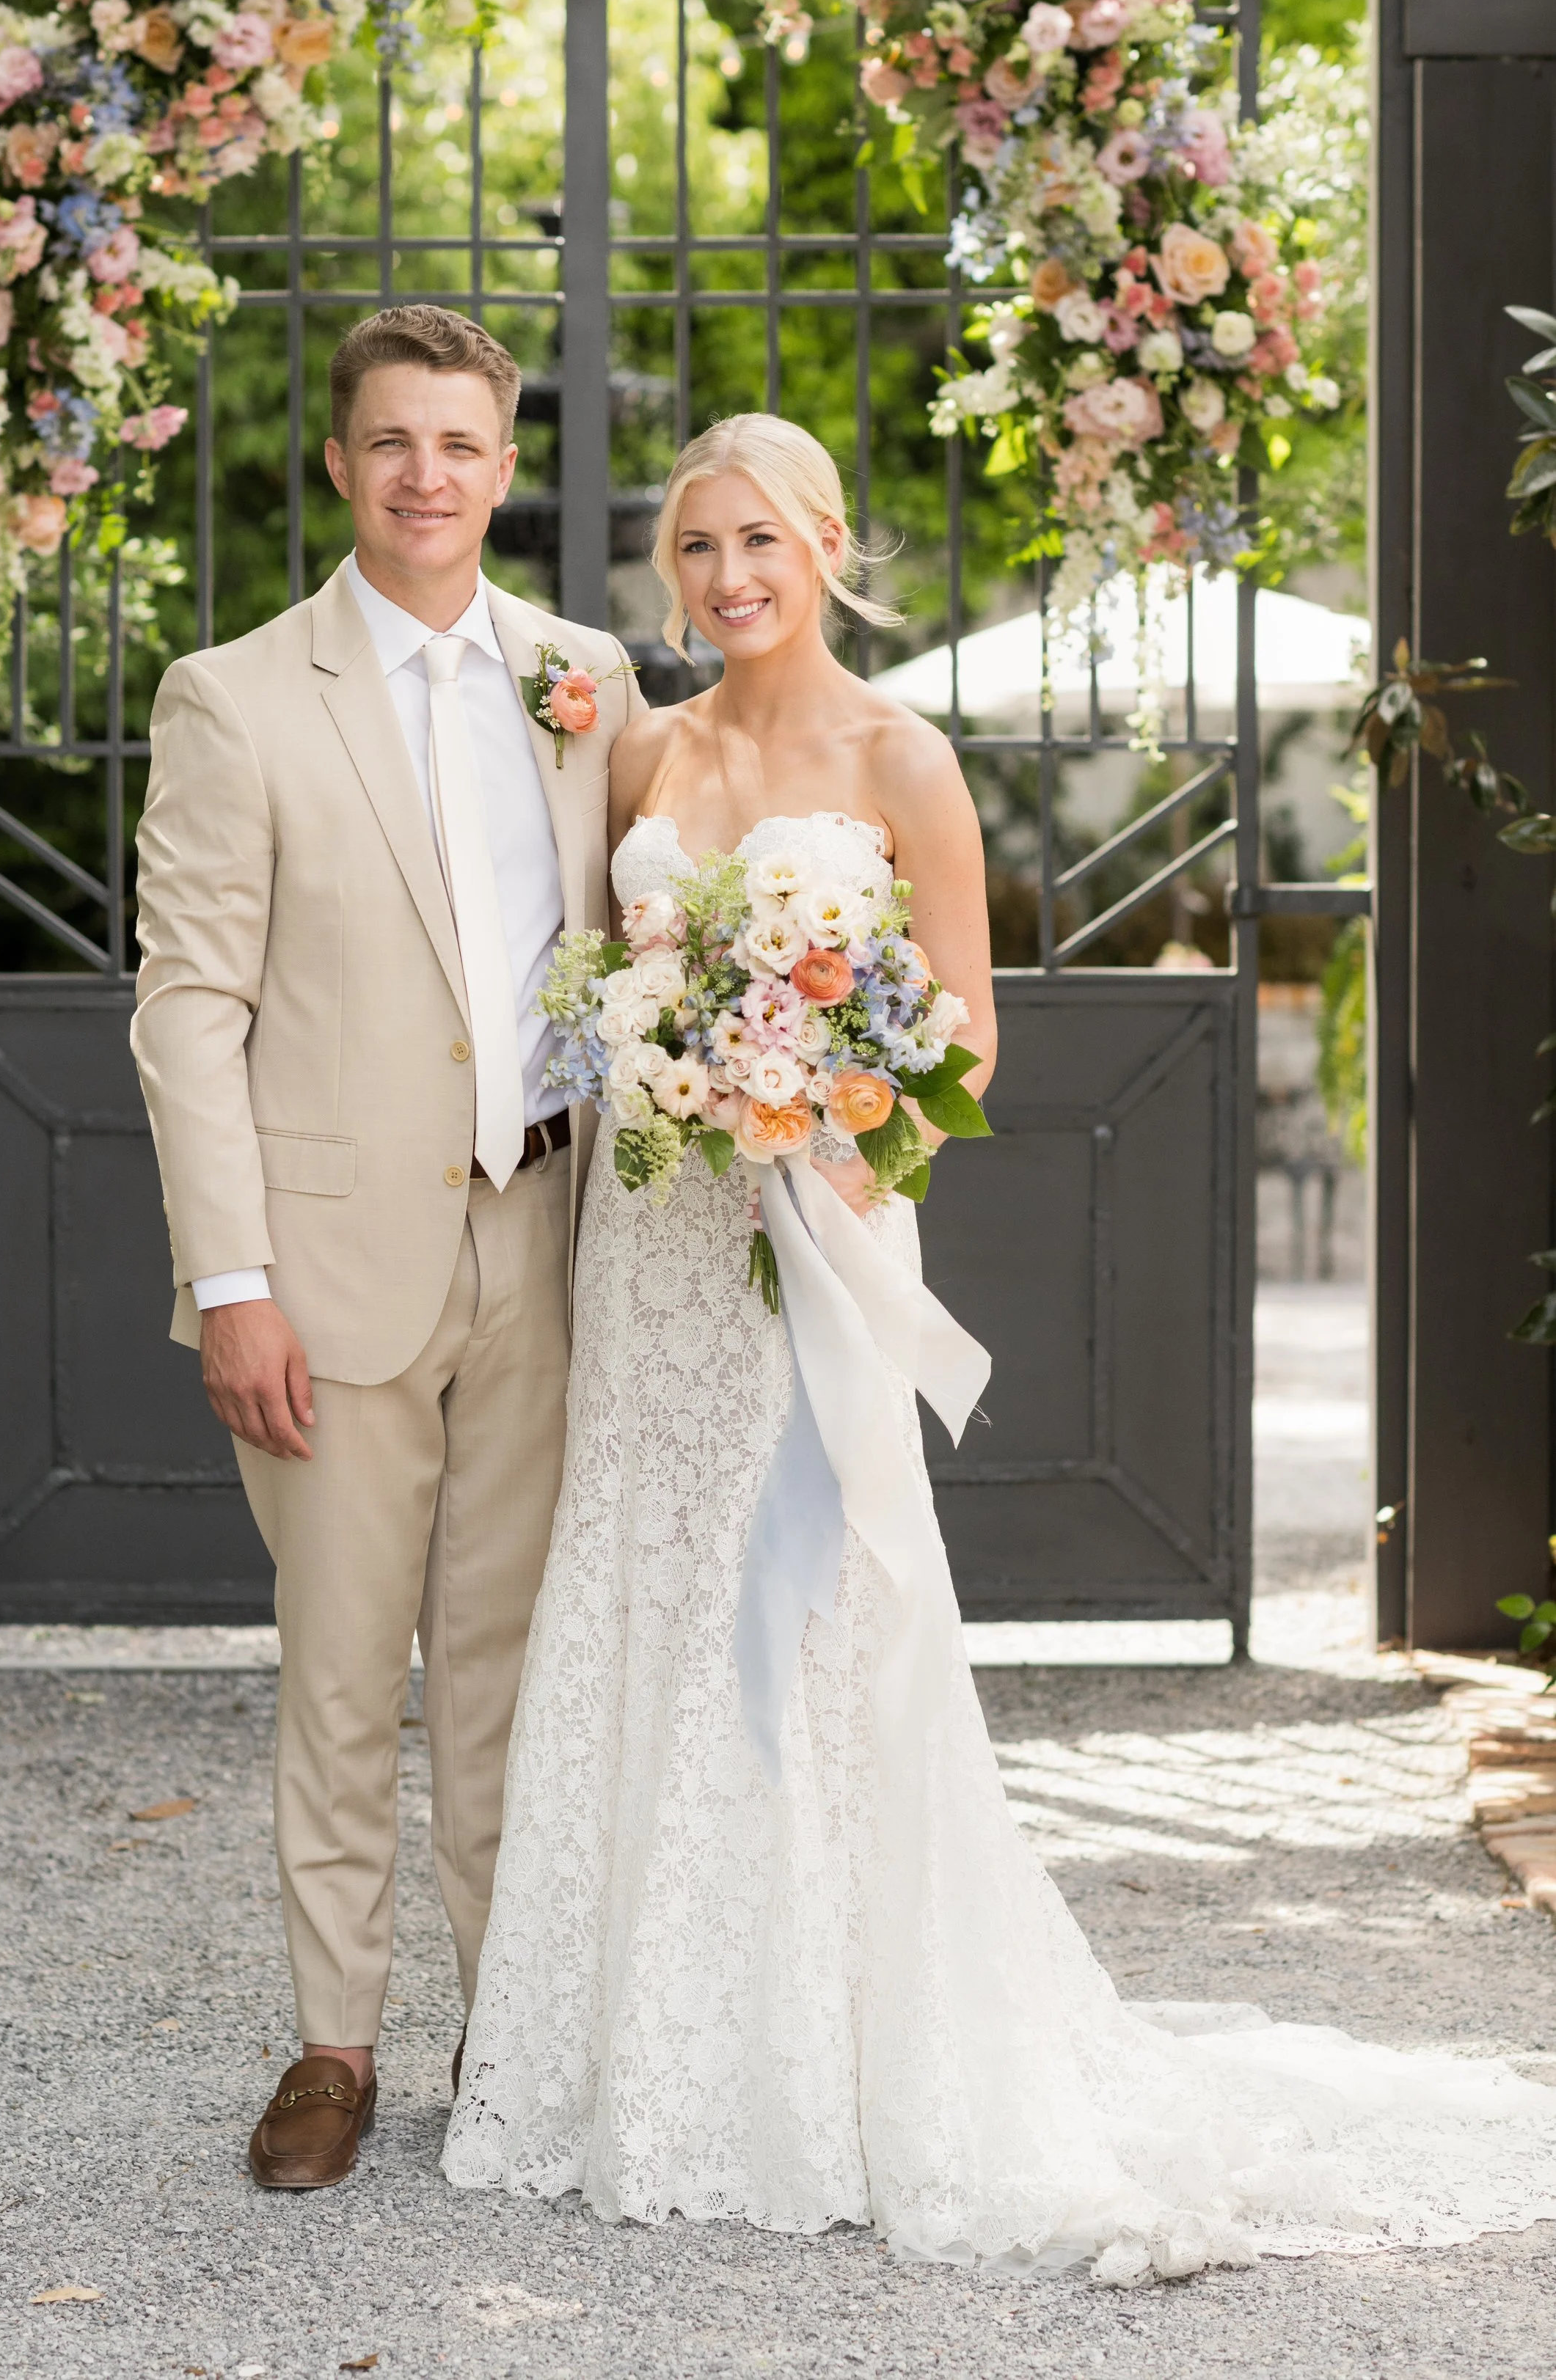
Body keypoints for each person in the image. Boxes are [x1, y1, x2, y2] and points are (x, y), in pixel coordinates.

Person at [443, 412, 1556, 2280]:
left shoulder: (902, 755)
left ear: (825, 542)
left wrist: (794, 1091)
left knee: (811, 1612)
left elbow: (962, 1048)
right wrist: (680, 1063)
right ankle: (640, 2054)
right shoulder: (643, 740)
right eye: (694, 552)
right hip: (645, 1258)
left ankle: (836, 2056)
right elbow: (573, 973)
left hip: (812, 1238)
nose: (726, 581)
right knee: (647, 1587)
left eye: (758, 544)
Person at [131, 304, 642, 2192]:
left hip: (547, 1245)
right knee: (343, 1672)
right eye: (392, 443)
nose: (428, 475)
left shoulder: (585, 680)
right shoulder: (236, 696)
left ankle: (503, 2042)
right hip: (329, 1277)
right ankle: (331, 2049)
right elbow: (188, 1006)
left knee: (512, 1671)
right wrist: (232, 1279)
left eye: (461, 444)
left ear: (505, 470)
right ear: (339, 465)